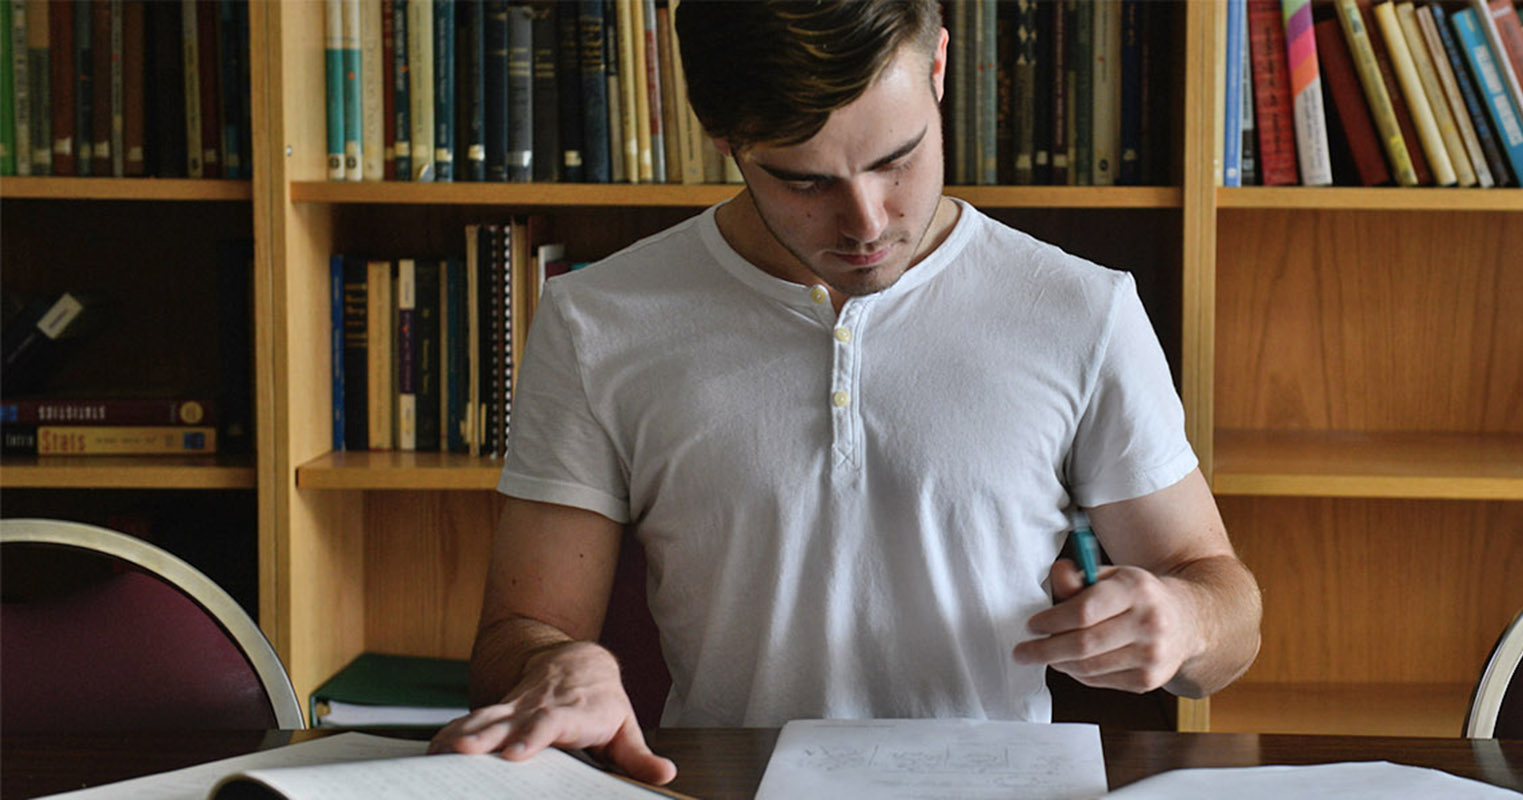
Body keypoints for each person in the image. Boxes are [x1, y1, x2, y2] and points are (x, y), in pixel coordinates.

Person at [430, 0, 1261, 786]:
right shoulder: (595, 320)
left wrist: (1184, 622)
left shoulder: (1084, 309)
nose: (865, 221)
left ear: (939, 63)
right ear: (722, 135)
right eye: (804, 182)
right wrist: (554, 666)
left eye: (897, 159)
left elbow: (1226, 613)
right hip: (724, 790)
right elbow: (514, 636)